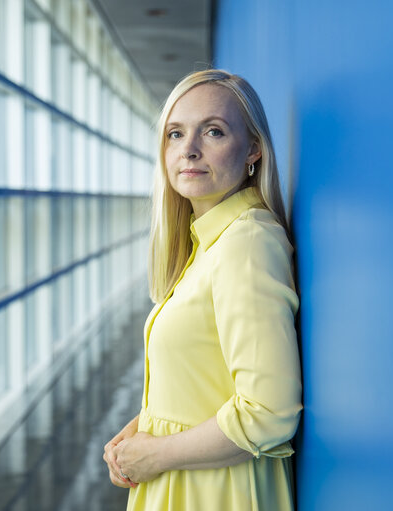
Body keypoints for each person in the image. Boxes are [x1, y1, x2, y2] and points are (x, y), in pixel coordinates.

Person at [103, 69, 302, 510]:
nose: (189, 150)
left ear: (253, 148)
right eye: (176, 134)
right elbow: (204, 381)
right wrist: (140, 429)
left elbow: (268, 413)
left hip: (217, 494)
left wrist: (153, 454)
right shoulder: (208, 243)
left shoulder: (246, 242)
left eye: (213, 131)